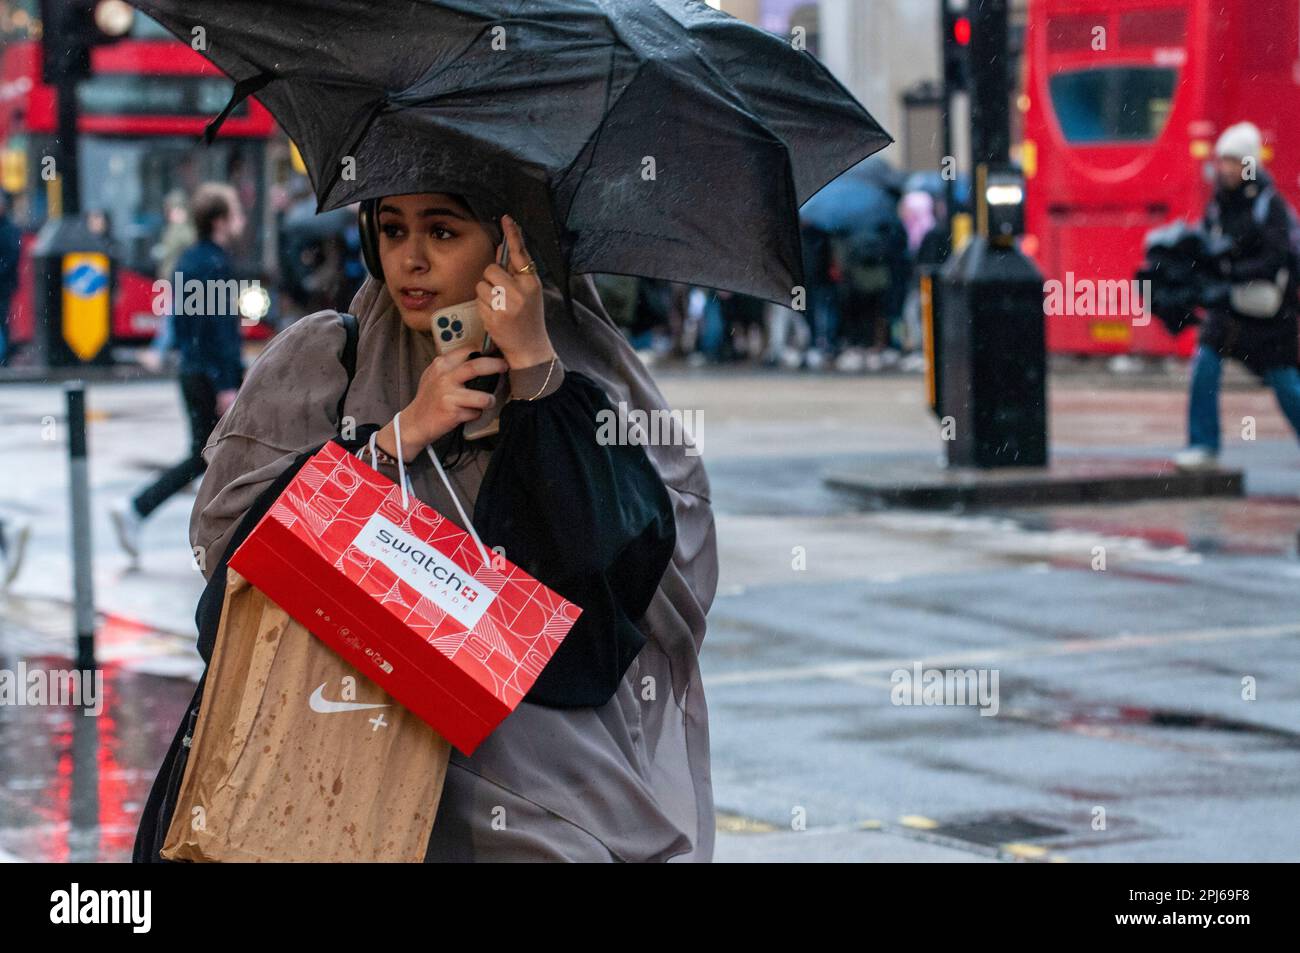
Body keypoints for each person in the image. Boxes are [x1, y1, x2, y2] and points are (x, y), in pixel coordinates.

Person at [132, 190, 718, 862]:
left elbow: (620, 609)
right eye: (390, 229)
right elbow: (237, 584)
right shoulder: (330, 362)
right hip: (334, 791)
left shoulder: (586, 385)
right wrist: (394, 441)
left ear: (510, 245)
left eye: (442, 231)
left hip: (541, 818)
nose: (408, 259)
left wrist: (535, 373)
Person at [111, 183, 247, 561]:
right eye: (236, 212)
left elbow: (186, 325)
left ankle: (141, 511)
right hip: (210, 375)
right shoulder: (216, 264)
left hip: (191, 370)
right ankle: (141, 509)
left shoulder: (187, 260)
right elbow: (218, 328)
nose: (242, 219)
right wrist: (225, 383)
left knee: (211, 456)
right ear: (220, 221)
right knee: (214, 456)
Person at [1176, 122, 1300, 469]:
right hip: (1231, 306)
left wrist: (1232, 272)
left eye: (1234, 161)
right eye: (1223, 160)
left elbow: (1277, 256)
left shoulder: (1269, 204)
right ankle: (1203, 445)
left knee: (1286, 382)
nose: (1226, 168)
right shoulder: (1218, 204)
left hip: (1270, 312)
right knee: (1205, 364)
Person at [0, 190, 21, 367]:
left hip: (3, 285)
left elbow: (10, 258)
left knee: (2, 320)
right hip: (5, 283)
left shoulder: (9, 229)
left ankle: (3, 357)